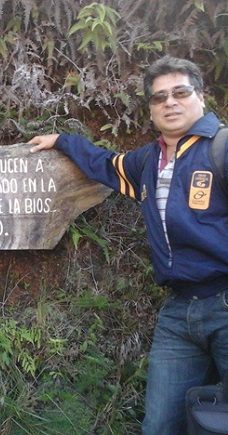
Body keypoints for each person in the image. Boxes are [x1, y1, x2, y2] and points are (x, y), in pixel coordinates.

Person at [28, 55, 228, 434]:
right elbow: (107, 164)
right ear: (151, 109)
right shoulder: (147, 161)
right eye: (159, 97)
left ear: (200, 97)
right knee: (159, 425)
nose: (170, 102)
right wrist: (63, 141)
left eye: (180, 92)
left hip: (224, 301)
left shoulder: (221, 148)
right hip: (178, 311)